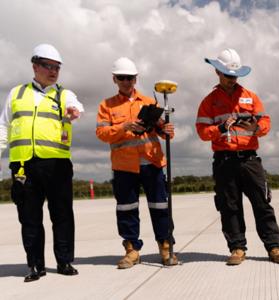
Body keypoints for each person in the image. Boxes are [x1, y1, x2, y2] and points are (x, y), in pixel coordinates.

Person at [196, 48, 279, 265]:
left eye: (235, 76)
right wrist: (219, 129)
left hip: (249, 159)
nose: (231, 79)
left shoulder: (250, 97)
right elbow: (201, 132)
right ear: (218, 73)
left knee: (262, 203)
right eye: (228, 75)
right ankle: (237, 248)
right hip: (224, 161)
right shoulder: (209, 101)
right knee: (229, 206)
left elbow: (265, 123)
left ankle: (274, 247)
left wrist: (257, 128)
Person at [0, 44, 83, 282]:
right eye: (48, 66)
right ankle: (35, 265)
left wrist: (73, 112)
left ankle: (65, 261)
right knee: (29, 216)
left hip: (57, 165)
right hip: (24, 165)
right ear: (35, 66)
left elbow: (77, 107)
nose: (53, 71)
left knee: (62, 213)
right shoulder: (16, 93)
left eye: (57, 67)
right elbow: (3, 126)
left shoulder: (63, 94)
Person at [95, 57, 178, 269]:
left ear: (136, 78)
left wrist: (166, 130)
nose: (126, 81)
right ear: (114, 79)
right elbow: (102, 133)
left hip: (152, 162)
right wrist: (124, 126)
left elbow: (160, 129)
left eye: (130, 77)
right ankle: (132, 250)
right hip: (124, 166)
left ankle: (165, 246)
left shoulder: (150, 102)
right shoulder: (106, 105)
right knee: (126, 209)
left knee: (160, 206)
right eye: (121, 77)